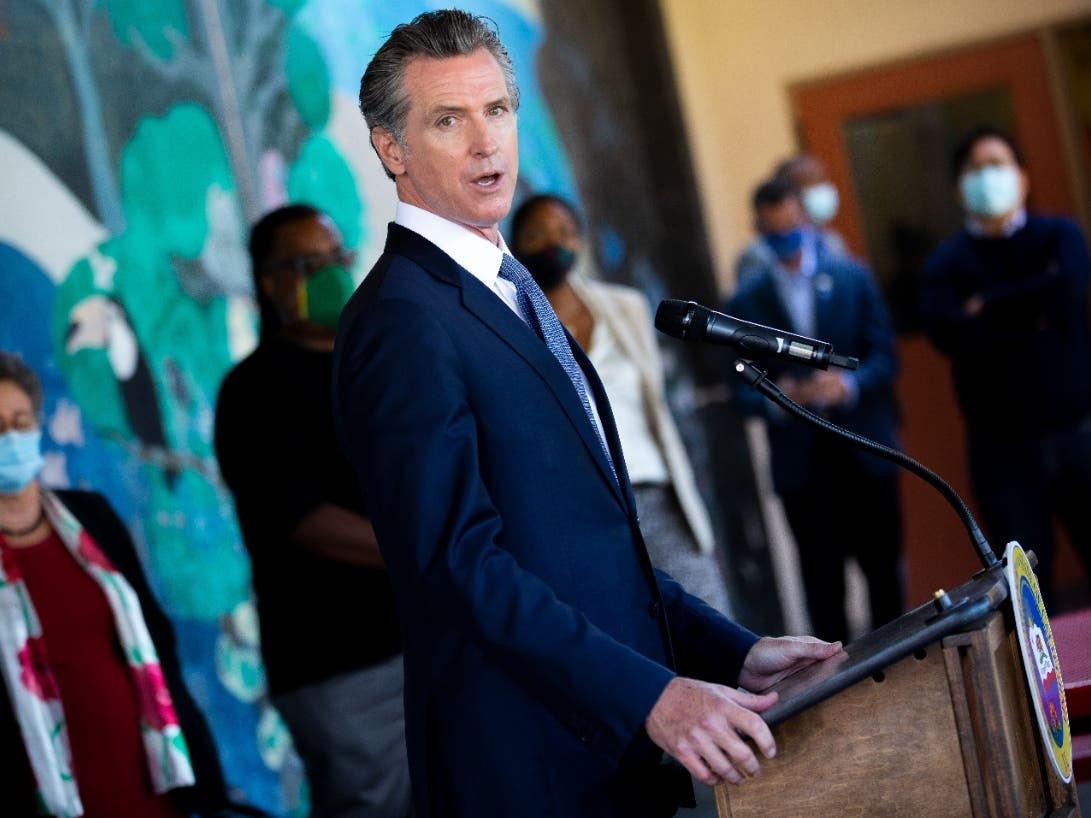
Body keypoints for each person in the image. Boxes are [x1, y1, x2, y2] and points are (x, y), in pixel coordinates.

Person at [334, 10, 841, 818]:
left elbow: (587, 548)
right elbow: (458, 568)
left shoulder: (509, 288)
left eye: (496, 110)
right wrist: (652, 697)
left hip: (609, 755)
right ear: (392, 148)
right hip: (525, 767)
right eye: (447, 120)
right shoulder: (399, 321)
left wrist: (733, 652)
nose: (484, 143)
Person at [214, 205, 409, 818]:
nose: (328, 273)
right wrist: (423, 549)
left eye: (335, 258)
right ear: (270, 282)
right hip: (339, 664)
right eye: (306, 264)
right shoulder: (253, 390)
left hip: (425, 637)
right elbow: (298, 517)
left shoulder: (375, 363)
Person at [0, 351, 233, 818]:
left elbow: (156, 643)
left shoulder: (91, 517)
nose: (11, 437)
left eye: (20, 421)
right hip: (51, 795)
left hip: (151, 781)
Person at [509, 193, 731, 614]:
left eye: (564, 232)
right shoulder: (515, 325)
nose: (552, 244)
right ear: (516, 246)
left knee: (714, 621)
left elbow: (657, 406)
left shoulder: (626, 307)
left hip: (657, 494)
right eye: (537, 234)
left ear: (581, 240)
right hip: (584, 510)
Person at [725, 177, 904, 644]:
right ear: (759, 230)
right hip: (804, 470)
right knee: (824, 591)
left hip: (865, 451)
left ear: (805, 220)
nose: (785, 239)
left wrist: (847, 384)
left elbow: (885, 357)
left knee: (885, 576)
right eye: (773, 231)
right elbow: (739, 391)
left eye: (791, 227)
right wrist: (782, 396)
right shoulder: (747, 302)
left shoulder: (852, 277)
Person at [919, 125, 1091, 607]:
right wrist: (1035, 306)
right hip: (1003, 451)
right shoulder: (945, 264)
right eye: (976, 169)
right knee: (1029, 594)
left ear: (1023, 177)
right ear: (959, 188)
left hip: (1079, 433)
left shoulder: (1060, 235)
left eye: (997, 165)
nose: (987, 177)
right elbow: (948, 331)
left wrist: (987, 304)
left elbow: (1070, 290)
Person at [734, 153, 847, 285]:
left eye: (821, 180)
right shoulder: (756, 257)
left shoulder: (832, 241)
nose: (819, 189)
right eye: (809, 182)